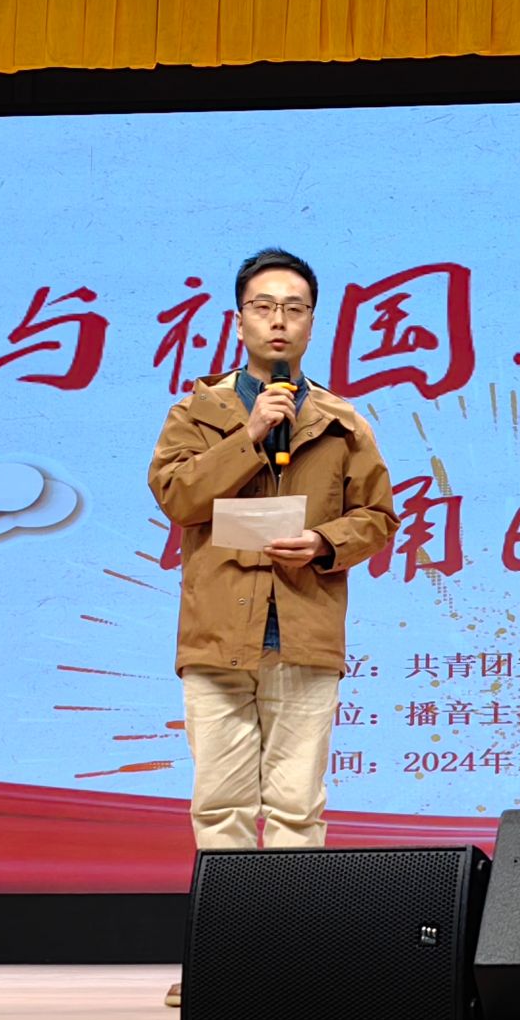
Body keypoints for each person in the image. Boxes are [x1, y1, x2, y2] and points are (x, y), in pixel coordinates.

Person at [148, 248, 396, 852]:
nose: (278, 320)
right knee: (220, 805)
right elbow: (177, 497)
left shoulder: (342, 422)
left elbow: (378, 516)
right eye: (263, 307)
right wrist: (250, 433)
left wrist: (322, 541)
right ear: (239, 322)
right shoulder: (196, 412)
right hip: (217, 635)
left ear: (312, 323)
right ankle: (231, 918)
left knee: (297, 809)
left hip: (304, 630)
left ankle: (290, 918)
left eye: (294, 308)